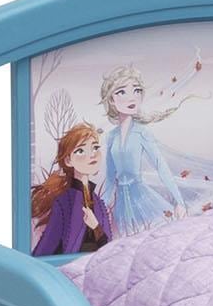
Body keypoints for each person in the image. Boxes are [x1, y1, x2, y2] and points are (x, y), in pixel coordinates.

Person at [94, 62, 194, 234]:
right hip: (121, 205)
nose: (132, 98)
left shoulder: (142, 133)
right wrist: (99, 210)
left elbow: (161, 166)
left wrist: (179, 201)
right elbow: (110, 179)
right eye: (122, 92)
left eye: (137, 90)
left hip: (142, 198)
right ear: (111, 99)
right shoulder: (111, 137)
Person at [28, 124, 113, 255]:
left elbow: (110, 249)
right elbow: (46, 247)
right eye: (81, 151)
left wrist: (96, 227)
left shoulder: (99, 204)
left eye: (95, 148)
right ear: (68, 161)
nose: (92, 155)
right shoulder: (65, 203)